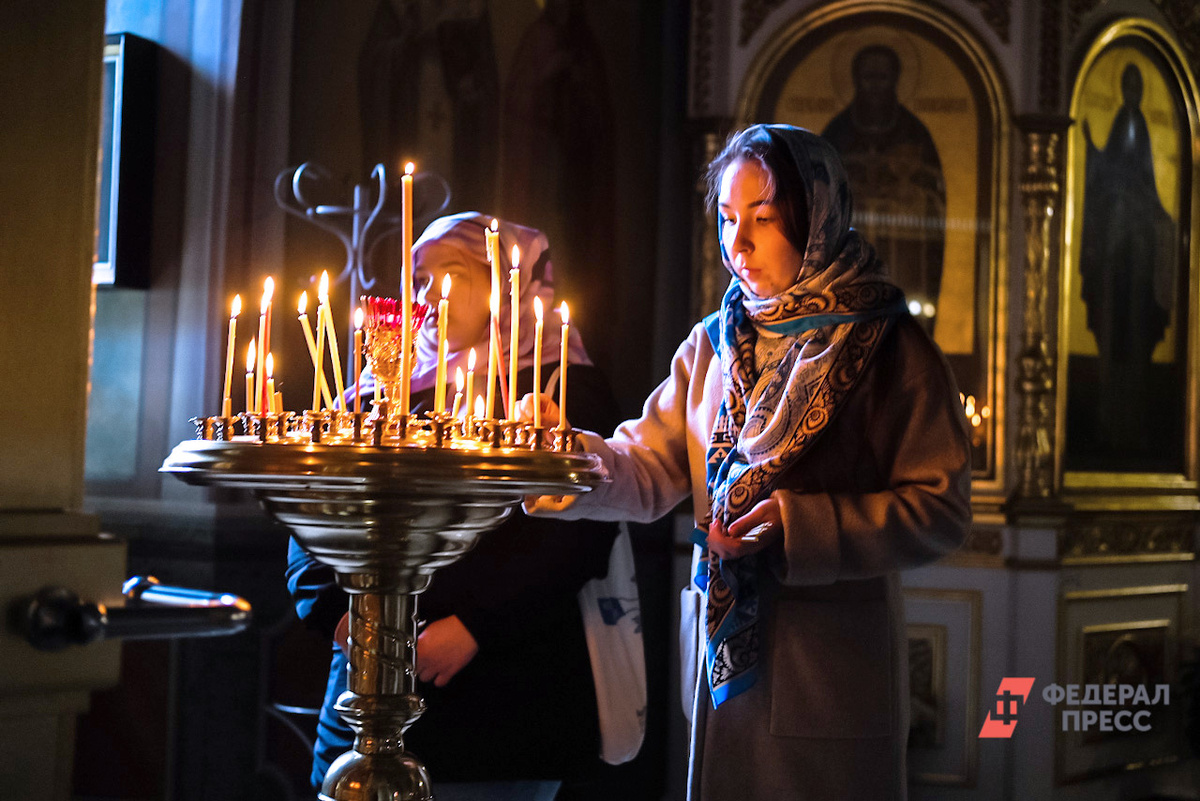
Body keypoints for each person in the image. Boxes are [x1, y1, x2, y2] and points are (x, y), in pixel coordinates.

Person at [524, 124, 972, 800]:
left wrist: (801, 524)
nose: (738, 244)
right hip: (722, 663)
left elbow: (940, 507)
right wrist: (566, 456)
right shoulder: (715, 342)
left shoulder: (888, 346)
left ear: (816, 214)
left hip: (826, 664)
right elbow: (646, 466)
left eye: (762, 219)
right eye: (729, 219)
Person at [286, 213, 625, 800]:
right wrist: (331, 613)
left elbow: (576, 536)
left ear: (507, 283)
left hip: (498, 700)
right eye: (416, 279)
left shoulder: (557, 388)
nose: (426, 295)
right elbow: (311, 508)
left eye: (450, 273)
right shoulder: (379, 389)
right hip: (362, 689)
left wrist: (475, 626)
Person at [1079, 63, 1177, 455]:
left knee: (1133, 350)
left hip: (1135, 274)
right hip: (1115, 273)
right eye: (1128, 84)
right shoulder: (1123, 121)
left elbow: (1143, 180)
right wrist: (1090, 149)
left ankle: (1131, 430)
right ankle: (1111, 428)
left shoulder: (1137, 126)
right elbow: (1108, 173)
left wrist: (1158, 223)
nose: (1133, 91)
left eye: (1138, 85)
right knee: (1113, 348)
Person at [822, 44, 946, 332]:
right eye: (869, 77)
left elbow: (934, 192)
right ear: (856, 80)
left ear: (895, 80)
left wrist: (904, 186)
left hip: (905, 245)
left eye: (883, 78)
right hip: (850, 245)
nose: (875, 86)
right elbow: (819, 191)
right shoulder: (837, 130)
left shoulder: (915, 131)